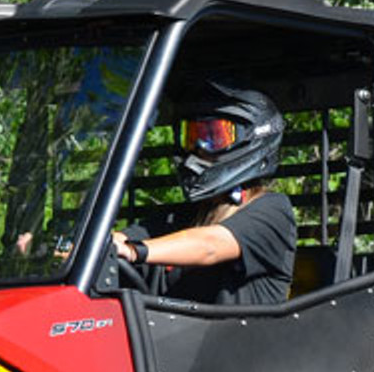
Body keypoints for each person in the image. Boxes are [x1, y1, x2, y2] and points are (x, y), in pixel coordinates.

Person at [113, 81, 296, 305]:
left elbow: (210, 246)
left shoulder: (273, 210)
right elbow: (125, 238)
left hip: (241, 338)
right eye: (192, 137)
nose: (198, 148)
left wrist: (134, 252)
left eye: (214, 136)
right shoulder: (181, 217)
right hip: (170, 336)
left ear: (250, 138)